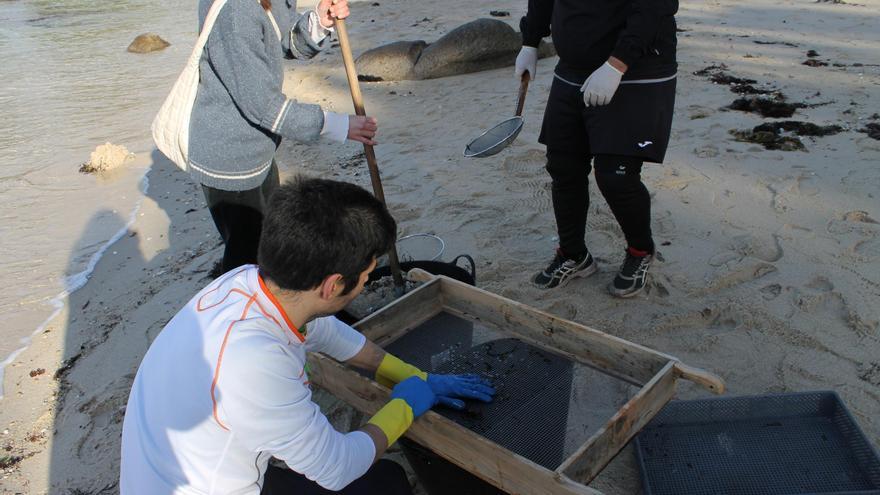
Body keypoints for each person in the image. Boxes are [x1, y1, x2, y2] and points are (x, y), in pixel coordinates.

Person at [120, 177, 496, 494]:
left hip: (170, 472)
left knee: (382, 477)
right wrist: (406, 406)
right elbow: (337, 469)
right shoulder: (256, 364)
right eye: (366, 277)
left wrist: (410, 374)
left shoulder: (245, 282)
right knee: (386, 484)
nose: (367, 282)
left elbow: (324, 329)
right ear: (334, 286)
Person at [189, 0, 379, 273]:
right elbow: (263, 105)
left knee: (269, 244)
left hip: (258, 149)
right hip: (229, 160)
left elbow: (284, 40)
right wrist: (338, 125)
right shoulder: (235, 12)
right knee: (246, 260)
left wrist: (318, 22)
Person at [515, 0, 678, 297]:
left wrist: (616, 65)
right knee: (563, 166)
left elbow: (655, 7)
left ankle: (641, 251)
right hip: (573, 67)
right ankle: (573, 255)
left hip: (638, 68)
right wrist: (530, 41)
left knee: (615, 175)